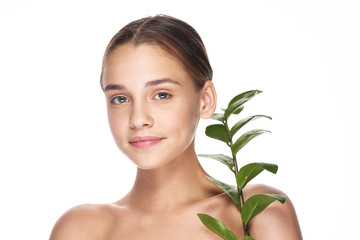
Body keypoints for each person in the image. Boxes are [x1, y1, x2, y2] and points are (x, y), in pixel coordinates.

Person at [49, 15, 302, 239]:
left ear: (205, 100)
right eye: (120, 98)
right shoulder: (80, 230)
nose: (138, 119)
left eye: (161, 95)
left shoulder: (256, 212)